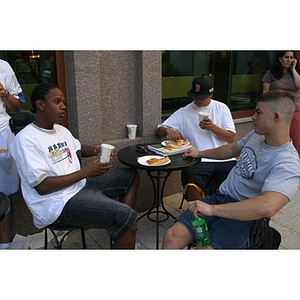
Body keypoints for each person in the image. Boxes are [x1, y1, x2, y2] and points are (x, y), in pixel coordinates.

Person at [162, 90, 300, 249]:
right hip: (221, 197)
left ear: (276, 117)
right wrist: (199, 153)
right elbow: (231, 150)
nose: (253, 117)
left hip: (244, 216)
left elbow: (268, 206)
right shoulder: (257, 136)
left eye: (259, 112)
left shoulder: (287, 163)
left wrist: (212, 210)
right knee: (172, 236)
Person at [11, 83, 139, 249]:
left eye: (63, 102)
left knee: (130, 176)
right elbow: (42, 186)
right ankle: (124, 223)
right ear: (40, 104)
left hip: (78, 186)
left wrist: (97, 149)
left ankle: (120, 229)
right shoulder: (26, 140)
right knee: (126, 216)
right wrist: (86, 172)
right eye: (57, 102)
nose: (63, 107)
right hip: (56, 204)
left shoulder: (60, 130)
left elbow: (77, 147)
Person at [155, 76, 236, 202]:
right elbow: (158, 131)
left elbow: (231, 138)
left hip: (224, 158)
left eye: (201, 97)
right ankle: (198, 219)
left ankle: (225, 215)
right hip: (197, 160)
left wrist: (213, 127)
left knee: (238, 180)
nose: (197, 100)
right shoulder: (184, 112)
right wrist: (167, 130)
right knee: (190, 179)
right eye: (195, 96)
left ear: (211, 94)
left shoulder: (221, 108)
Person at [0, 59, 25, 249]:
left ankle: (5, 245)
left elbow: (18, 106)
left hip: (2, 135)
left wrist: (4, 93)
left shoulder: (3, 66)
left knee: (4, 193)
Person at [262, 51, 300, 154]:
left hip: (294, 110)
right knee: (278, 138)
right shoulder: (271, 73)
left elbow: (298, 85)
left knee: (296, 139)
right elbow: (265, 94)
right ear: (280, 59)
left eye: (291, 58)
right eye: (286, 57)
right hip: (277, 111)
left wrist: (293, 69)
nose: (289, 60)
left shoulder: (295, 73)